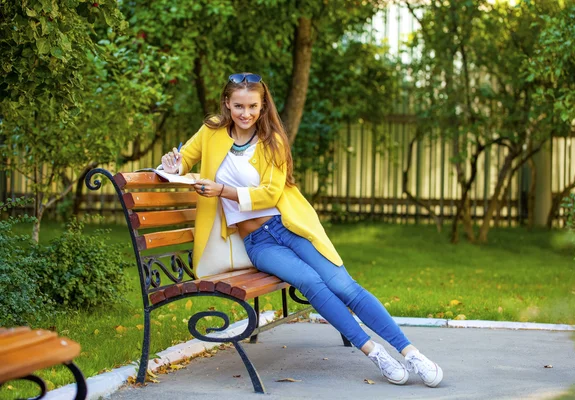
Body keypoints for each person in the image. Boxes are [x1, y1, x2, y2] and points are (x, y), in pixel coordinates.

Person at [160, 72, 443, 387]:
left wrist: (221, 190)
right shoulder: (212, 131)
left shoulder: (273, 141)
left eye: (252, 106)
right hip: (259, 243)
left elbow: (269, 194)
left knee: (345, 286)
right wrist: (173, 164)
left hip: (288, 226)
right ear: (227, 103)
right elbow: (182, 162)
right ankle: (375, 352)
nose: (245, 114)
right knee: (310, 282)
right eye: (238, 106)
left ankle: (410, 351)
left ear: (263, 104)